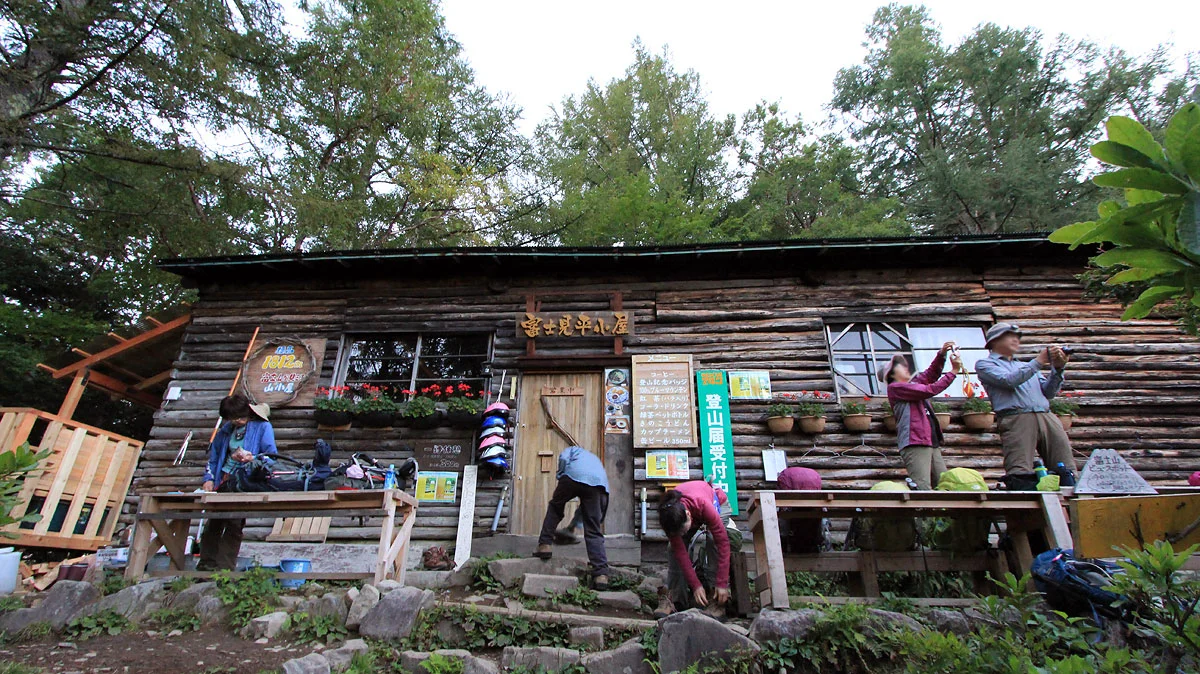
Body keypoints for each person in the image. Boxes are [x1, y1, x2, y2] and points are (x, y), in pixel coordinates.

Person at [975, 323, 1076, 489]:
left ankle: (1070, 504)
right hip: (1016, 417)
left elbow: (1049, 392)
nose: (1016, 339)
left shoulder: (1025, 365)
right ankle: (1025, 511)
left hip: (1046, 415)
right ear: (994, 340)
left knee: (1064, 464)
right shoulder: (985, 365)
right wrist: (1039, 361)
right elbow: (1009, 381)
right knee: (1020, 468)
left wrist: (1058, 368)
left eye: (1018, 337)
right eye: (1010, 335)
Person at [198, 394, 277, 571]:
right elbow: (214, 458)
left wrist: (252, 458)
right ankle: (205, 566)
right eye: (232, 418)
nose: (237, 421)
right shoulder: (225, 431)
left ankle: (224, 570)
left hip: (244, 482)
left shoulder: (262, 427)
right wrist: (208, 479)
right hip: (223, 480)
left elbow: (271, 457)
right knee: (214, 523)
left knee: (234, 524)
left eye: (240, 417)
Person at [880, 342, 962, 489]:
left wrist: (942, 354)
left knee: (945, 484)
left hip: (930, 440)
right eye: (900, 365)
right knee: (923, 487)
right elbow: (930, 389)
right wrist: (954, 371)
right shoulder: (895, 388)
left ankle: (943, 512)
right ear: (891, 374)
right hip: (915, 441)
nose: (906, 367)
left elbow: (930, 375)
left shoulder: (911, 385)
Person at [656, 480, 741, 619]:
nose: (682, 535)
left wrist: (722, 583)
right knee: (673, 547)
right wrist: (695, 585)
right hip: (689, 511)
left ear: (688, 515)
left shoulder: (703, 504)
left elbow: (723, 543)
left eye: (683, 531)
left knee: (713, 540)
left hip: (717, 502)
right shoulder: (669, 516)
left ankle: (717, 599)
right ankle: (676, 599)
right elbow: (680, 553)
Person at [533, 445, 611, 589]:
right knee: (593, 530)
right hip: (597, 485)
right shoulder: (597, 465)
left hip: (572, 476)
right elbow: (595, 508)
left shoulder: (573, 449)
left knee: (556, 506)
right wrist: (575, 527)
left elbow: (563, 458)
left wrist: (561, 475)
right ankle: (601, 575)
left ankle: (544, 545)